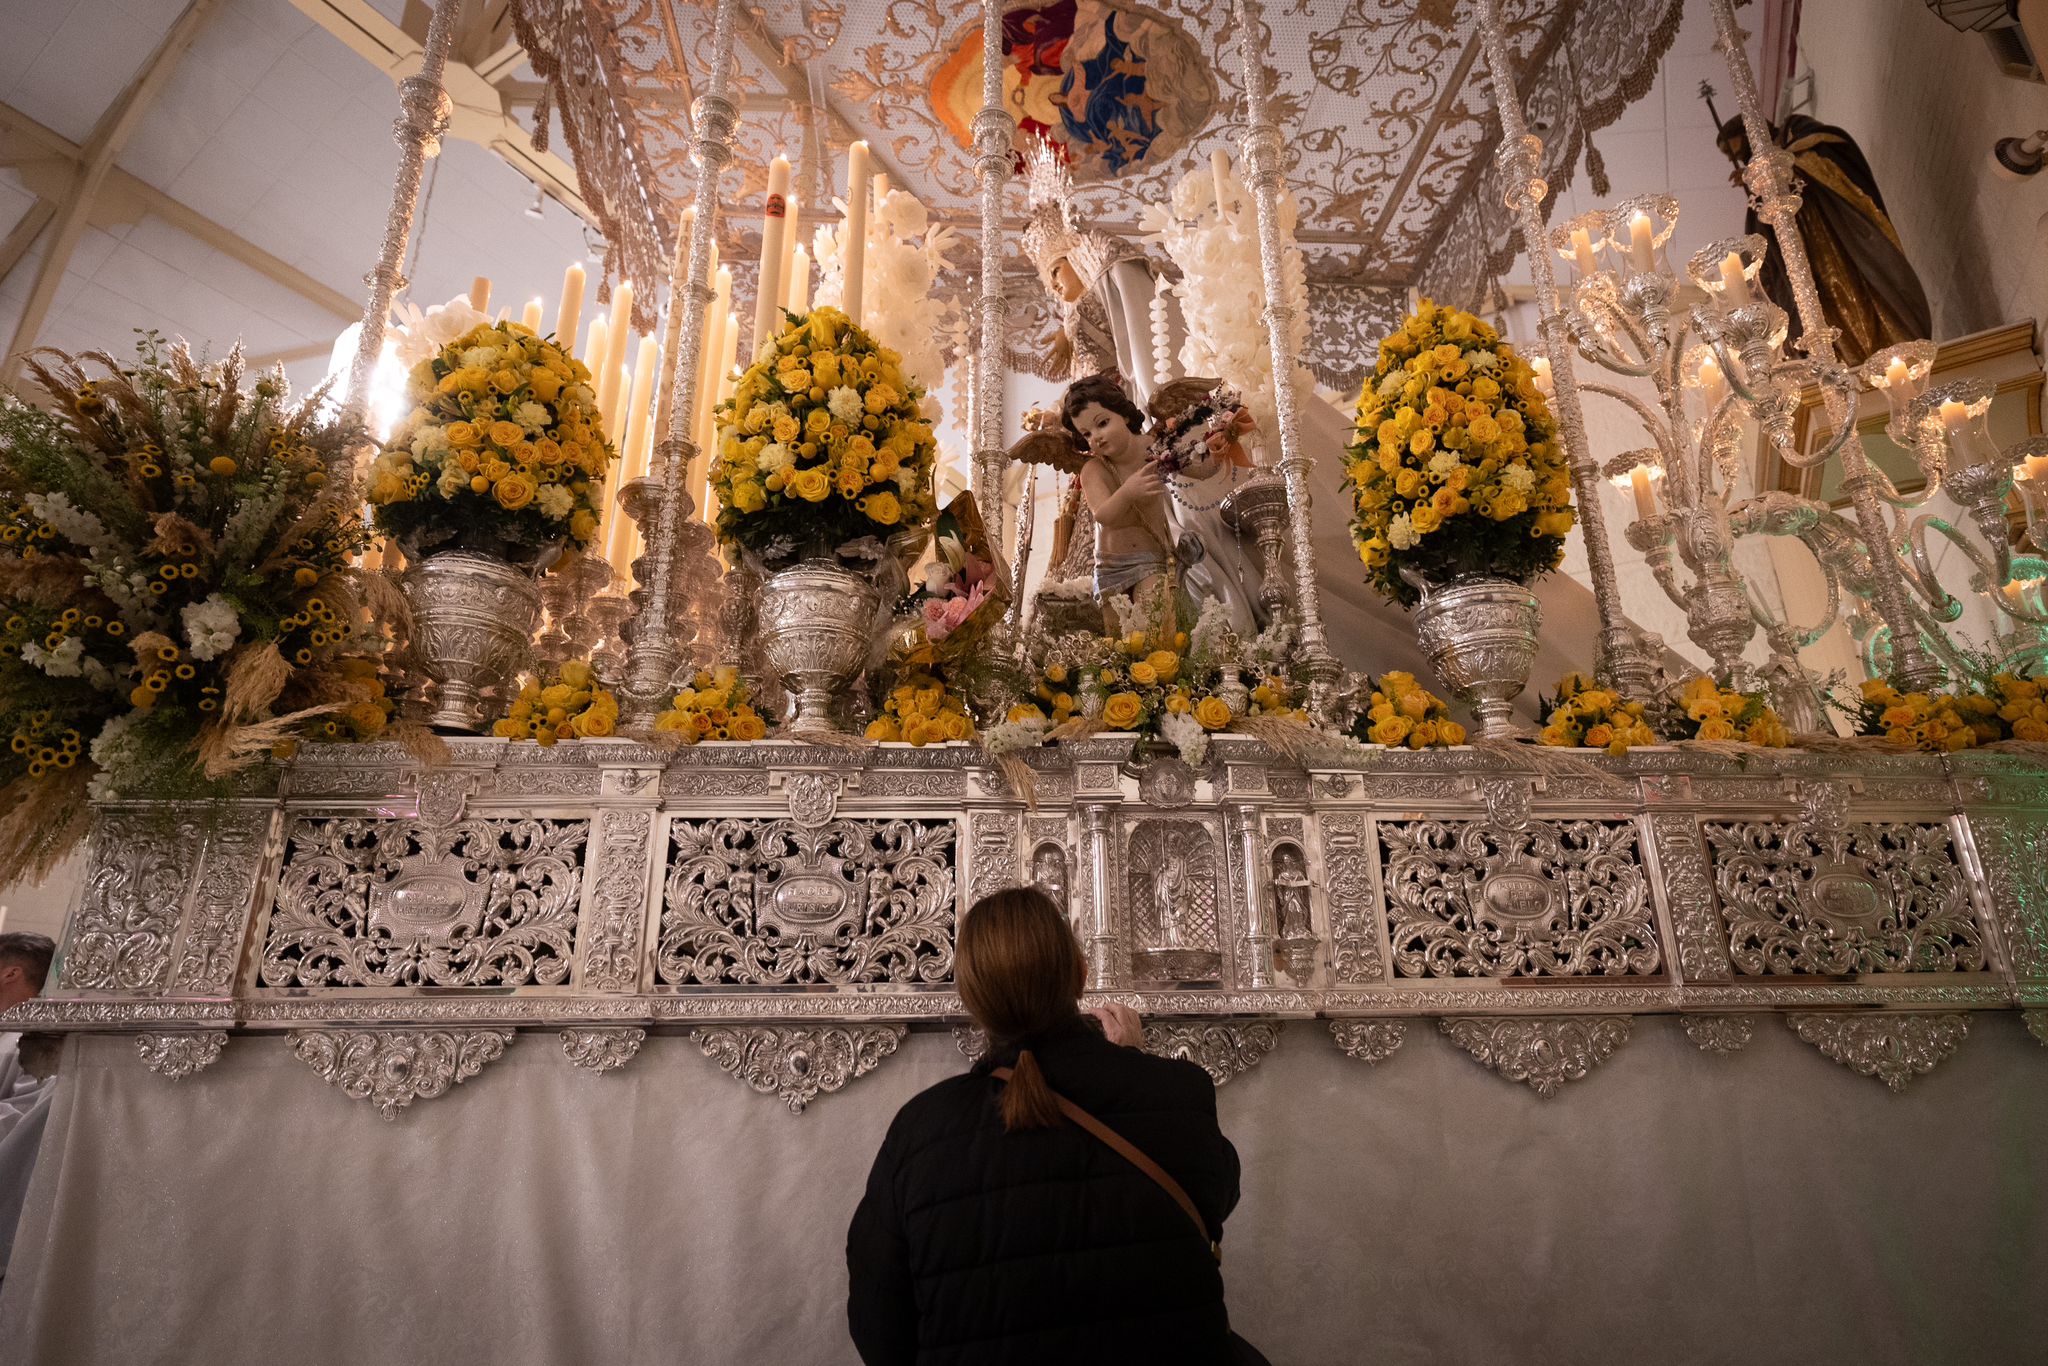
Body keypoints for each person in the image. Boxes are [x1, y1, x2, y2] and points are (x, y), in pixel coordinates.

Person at [846, 887, 1246, 1366]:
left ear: (972, 996)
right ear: (1079, 971)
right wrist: (1133, 1065)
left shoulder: (921, 1132)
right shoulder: (1178, 1094)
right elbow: (1215, 1197)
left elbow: (879, 1324)